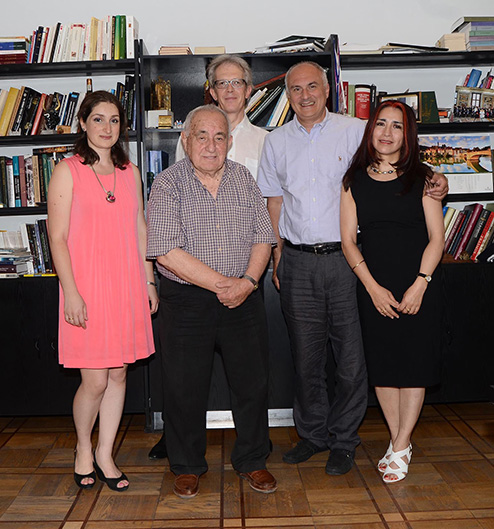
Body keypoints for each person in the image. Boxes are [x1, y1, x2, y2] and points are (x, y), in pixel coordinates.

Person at [257, 61, 449, 476]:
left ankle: (345, 440)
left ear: (328, 91)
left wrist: (438, 179)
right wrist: (276, 255)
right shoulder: (275, 142)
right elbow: (274, 202)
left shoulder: (355, 129)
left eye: (312, 86)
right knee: (305, 358)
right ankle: (312, 435)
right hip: (297, 260)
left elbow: (403, 156)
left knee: (351, 359)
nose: (304, 95)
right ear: (287, 95)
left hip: (348, 263)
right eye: (295, 89)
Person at [146, 104, 277, 499]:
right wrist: (226, 284)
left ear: (230, 142)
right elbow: (165, 251)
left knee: (252, 384)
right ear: (185, 141)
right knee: (185, 386)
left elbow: (263, 237)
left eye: (219, 137)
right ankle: (186, 466)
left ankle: (253, 460)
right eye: (201, 136)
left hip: (245, 295)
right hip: (187, 302)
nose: (211, 144)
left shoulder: (244, 180)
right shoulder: (168, 184)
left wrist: (250, 281)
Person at [47, 90, 158, 492]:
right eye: (98, 119)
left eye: (114, 120)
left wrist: (149, 280)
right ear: (83, 123)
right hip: (86, 286)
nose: (106, 128)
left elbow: (140, 228)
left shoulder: (129, 172)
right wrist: (71, 292)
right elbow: (57, 238)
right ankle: (82, 448)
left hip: (127, 283)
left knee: (119, 374)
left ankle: (106, 454)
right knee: (93, 380)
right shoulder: (67, 170)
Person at [340, 100, 444, 483]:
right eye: (380, 124)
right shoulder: (353, 179)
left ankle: (401, 444)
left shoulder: (424, 178)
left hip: (419, 282)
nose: (386, 132)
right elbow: (349, 241)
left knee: (413, 366)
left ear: (408, 134)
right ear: (371, 131)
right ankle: (398, 440)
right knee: (384, 368)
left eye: (396, 126)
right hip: (374, 285)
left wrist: (421, 283)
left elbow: (437, 238)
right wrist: (372, 288)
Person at [175, 54, 267, 179]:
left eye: (237, 82)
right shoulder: (191, 134)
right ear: (213, 93)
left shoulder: (265, 141)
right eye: (222, 83)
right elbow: (179, 180)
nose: (230, 89)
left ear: (248, 91)